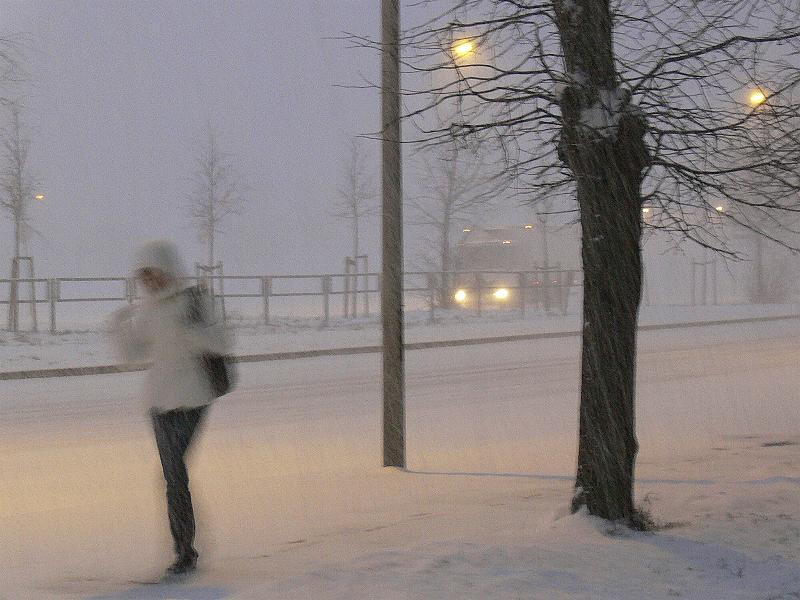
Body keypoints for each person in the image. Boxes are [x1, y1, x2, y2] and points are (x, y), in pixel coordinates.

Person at [110, 240, 228, 576]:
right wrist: (119, 328)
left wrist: (191, 333)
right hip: (158, 404)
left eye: (155, 274)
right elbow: (130, 358)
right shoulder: (148, 311)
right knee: (172, 476)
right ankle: (184, 551)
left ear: (169, 269)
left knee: (174, 474)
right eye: (144, 278)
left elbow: (221, 343)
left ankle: (185, 553)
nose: (151, 283)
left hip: (192, 399)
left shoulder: (195, 301)